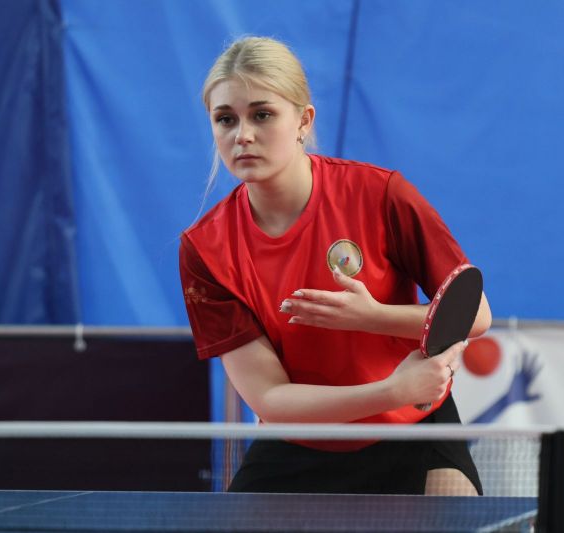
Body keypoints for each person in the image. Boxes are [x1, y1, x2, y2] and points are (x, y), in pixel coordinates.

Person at [179, 36, 492, 495]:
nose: (242, 135)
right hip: (301, 438)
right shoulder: (206, 248)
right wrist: (392, 390)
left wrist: (374, 317)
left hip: (413, 426)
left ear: (303, 121)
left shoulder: (381, 194)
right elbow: (270, 399)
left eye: (262, 115)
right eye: (225, 119)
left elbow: (476, 316)